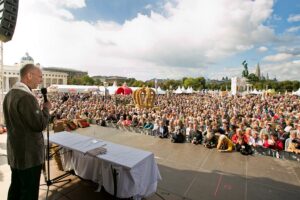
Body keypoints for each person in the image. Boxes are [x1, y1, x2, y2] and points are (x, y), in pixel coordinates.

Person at [3, 64, 52, 200]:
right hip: (29, 156)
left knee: (16, 188)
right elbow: (39, 124)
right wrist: (46, 109)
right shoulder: (26, 97)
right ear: (29, 75)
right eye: (39, 76)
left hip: (16, 153)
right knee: (28, 193)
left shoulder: (9, 95)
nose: (41, 80)